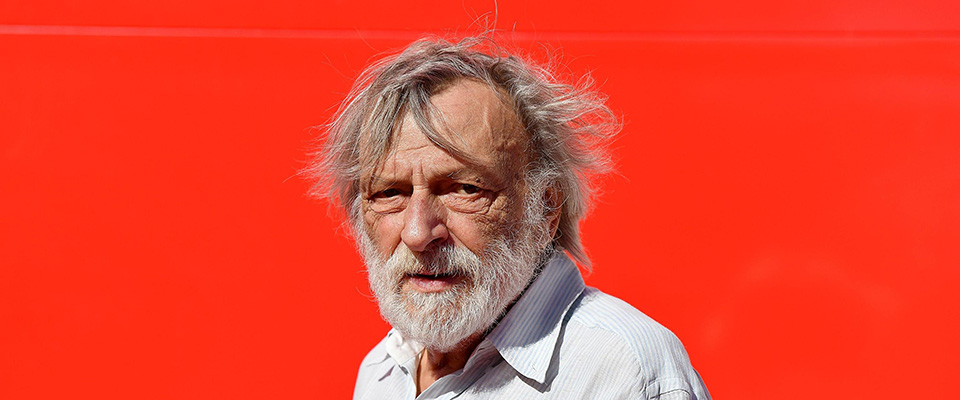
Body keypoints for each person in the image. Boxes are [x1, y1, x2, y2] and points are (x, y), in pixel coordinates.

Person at [307, 36, 710, 399]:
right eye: (389, 193)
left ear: (545, 209)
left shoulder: (624, 373)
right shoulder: (382, 372)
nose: (417, 233)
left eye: (466, 189)